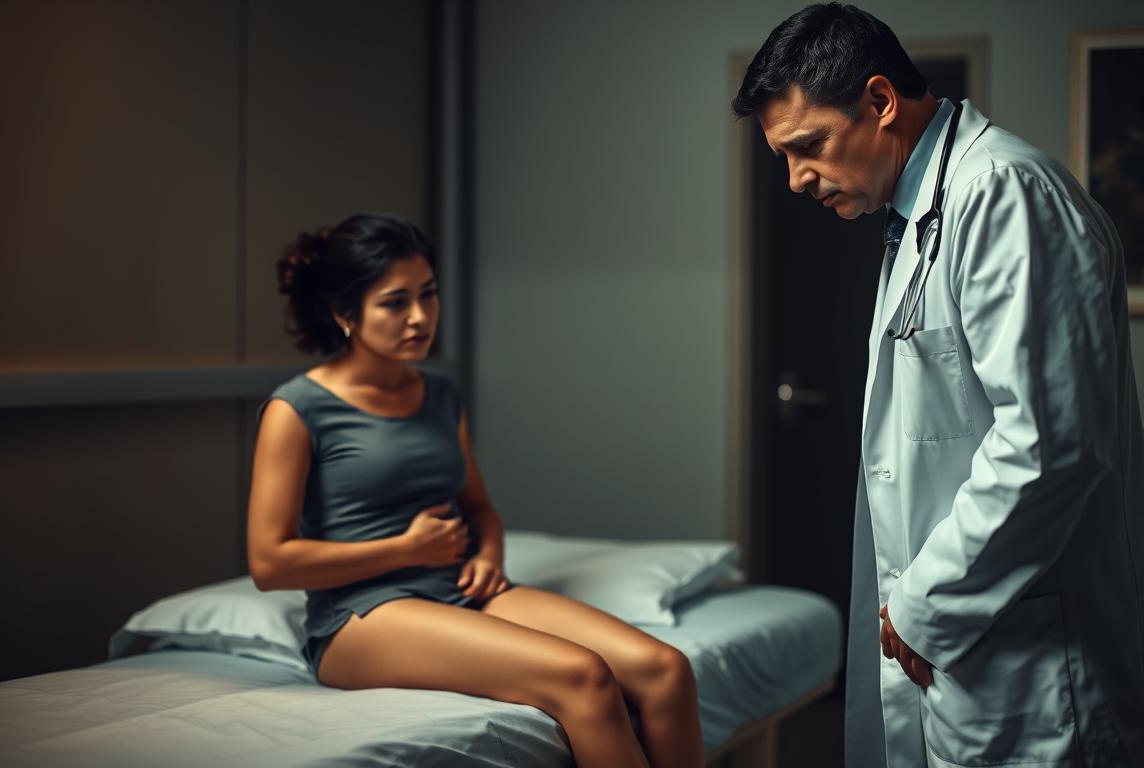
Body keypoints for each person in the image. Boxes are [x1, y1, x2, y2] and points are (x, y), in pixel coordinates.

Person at [733, 4, 1144, 767]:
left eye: (808, 147)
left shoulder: (1004, 194)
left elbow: (1049, 446)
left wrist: (926, 605)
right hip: (974, 652)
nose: (795, 181)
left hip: (1032, 661)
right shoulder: (917, 216)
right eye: (783, 158)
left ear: (880, 101)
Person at [246, 213, 703, 768]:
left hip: (457, 584)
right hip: (361, 616)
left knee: (666, 671)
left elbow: (479, 508)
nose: (420, 317)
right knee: (583, 677)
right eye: (395, 303)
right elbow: (270, 564)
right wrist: (404, 550)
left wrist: (490, 554)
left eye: (429, 295)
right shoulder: (296, 409)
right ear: (346, 314)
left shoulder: (439, 393)